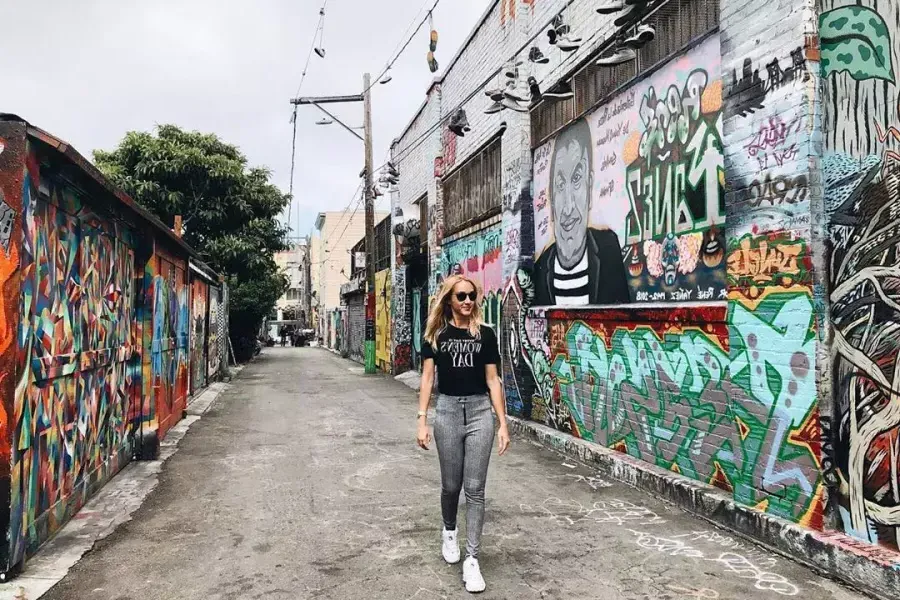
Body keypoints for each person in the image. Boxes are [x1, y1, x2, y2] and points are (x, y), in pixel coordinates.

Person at [416, 275, 510, 594]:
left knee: (475, 489)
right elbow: (428, 380)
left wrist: (503, 423)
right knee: (451, 486)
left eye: (472, 296)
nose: (468, 301)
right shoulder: (435, 335)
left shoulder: (485, 335)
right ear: (449, 301)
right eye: (461, 296)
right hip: (447, 412)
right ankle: (449, 530)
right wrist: (421, 419)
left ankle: (472, 559)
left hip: (480, 412)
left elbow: (493, 381)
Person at [534, 118, 631, 306]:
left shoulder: (608, 249)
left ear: (590, 186)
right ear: (551, 198)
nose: (568, 207)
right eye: (560, 184)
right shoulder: (540, 267)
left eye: (577, 178)